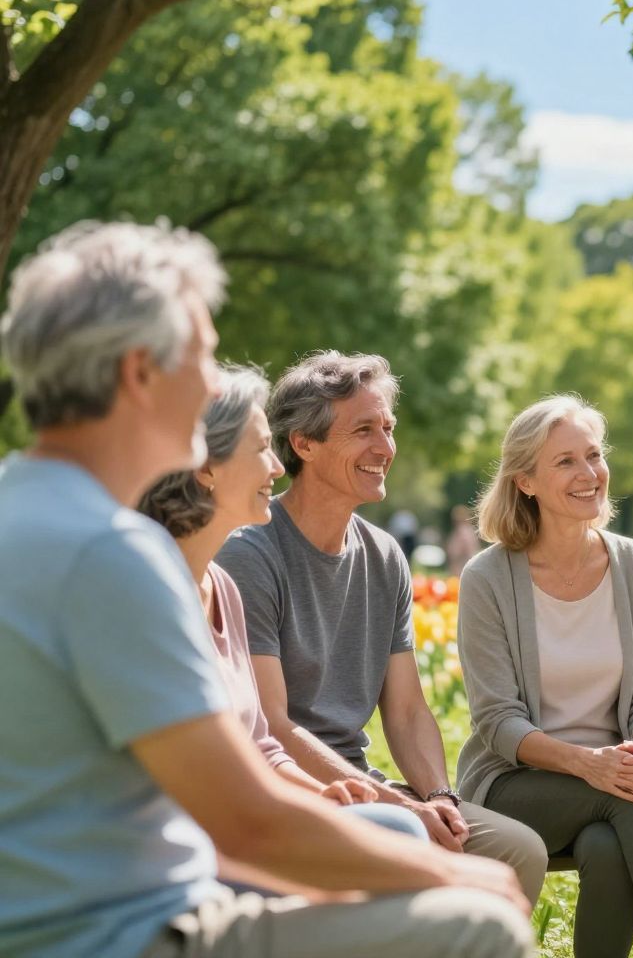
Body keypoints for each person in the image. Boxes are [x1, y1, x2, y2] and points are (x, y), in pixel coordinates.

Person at [0, 222, 530, 958]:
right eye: (206, 356)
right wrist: (445, 870)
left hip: (98, 914)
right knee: (480, 927)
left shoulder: (24, 510)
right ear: (137, 372)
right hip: (127, 933)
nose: (218, 384)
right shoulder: (111, 553)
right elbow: (245, 821)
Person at [216, 351, 548, 901]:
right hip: (290, 791)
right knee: (417, 844)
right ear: (303, 443)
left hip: (368, 784)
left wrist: (438, 797)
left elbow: (408, 709)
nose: (385, 448)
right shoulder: (251, 552)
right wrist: (399, 807)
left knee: (517, 851)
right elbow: (273, 725)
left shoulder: (385, 555)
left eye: (388, 428)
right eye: (363, 430)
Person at [456, 395, 633, 958]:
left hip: (616, 783)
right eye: (565, 461)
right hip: (515, 785)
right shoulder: (488, 578)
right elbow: (498, 722)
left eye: (593, 455)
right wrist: (592, 765)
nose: (589, 474)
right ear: (526, 482)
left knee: (611, 838)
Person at [138, 363, 427, 841]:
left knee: (416, 838)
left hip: (275, 803)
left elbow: (262, 745)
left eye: (388, 428)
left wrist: (325, 795)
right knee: (405, 836)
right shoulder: (163, 590)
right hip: (197, 841)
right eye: (260, 449)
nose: (275, 466)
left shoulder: (221, 588)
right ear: (206, 468)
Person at [447, 503, 482, 577]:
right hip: (465, 566)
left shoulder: (462, 532)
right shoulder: (469, 531)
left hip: (462, 566)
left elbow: (459, 551)